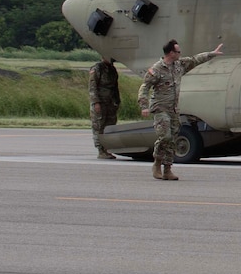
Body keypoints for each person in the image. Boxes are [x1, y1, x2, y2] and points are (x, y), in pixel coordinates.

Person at [138, 39, 223, 181]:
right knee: (165, 136)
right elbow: (144, 87)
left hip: (173, 109)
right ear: (171, 53)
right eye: (178, 51)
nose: (180, 53)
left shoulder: (179, 65)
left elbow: (195, 60)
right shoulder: (157, 69)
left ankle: (167, 169)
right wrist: (143, 106)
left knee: (173, 139)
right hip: (160, 108)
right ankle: (157, 162)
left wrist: (212, 54)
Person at [87, 57, 122, 159]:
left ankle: (107, 149)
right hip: (100, 101)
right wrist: (96, 102)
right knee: (99, 125)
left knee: (109, 125)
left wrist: (117, 101)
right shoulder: (97, 68)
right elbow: (92, 87)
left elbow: (115, 87)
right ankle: (101, 150)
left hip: (110, 102)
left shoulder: (112, 69)